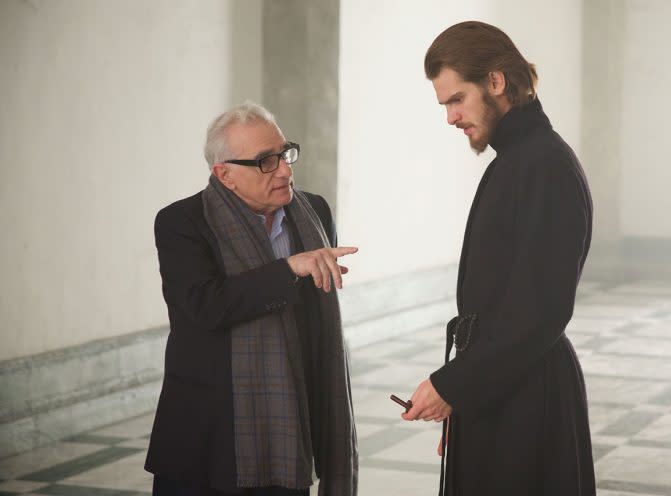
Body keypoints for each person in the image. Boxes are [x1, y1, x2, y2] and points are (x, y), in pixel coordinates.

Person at [401, 21, 596, 495]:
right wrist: (464, 393)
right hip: (503, 386)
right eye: (445, 104)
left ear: (495, 81)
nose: (450, 117)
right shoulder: (518, 159)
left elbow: (539, 312)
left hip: (529, 399)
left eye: (456, 100)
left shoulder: (543, 165)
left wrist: (453, 385)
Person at [145, 101, 358, 496]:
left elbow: (315, 323)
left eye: (284, 154)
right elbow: (206, 307)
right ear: (224, 174)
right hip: (208, 434)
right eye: (265, 162)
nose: (284, 170)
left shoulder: (314, 210)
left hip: (290, 427)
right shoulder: (181, 223)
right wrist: (288, 269)